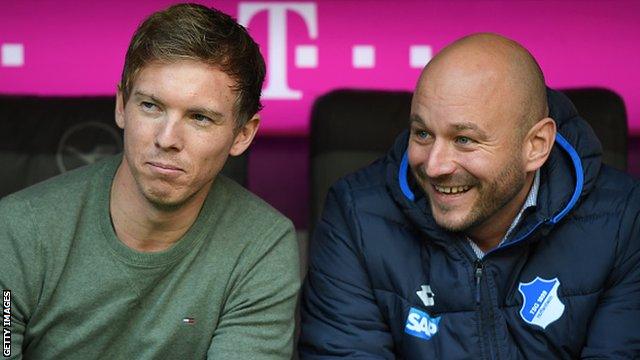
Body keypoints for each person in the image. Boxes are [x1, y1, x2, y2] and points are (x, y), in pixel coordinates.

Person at [299, 33, 640, 358]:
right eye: (422, 134)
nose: (434, 166)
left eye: (464, 139)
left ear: (536, 146)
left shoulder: (625, 222)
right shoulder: (357, 216)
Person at [0, 4, 300, 359]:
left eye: (200, 117)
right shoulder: (18, 230)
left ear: (242, 135)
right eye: (151, 106)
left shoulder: (261, 245)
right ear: (121, 106)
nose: (167, 138)